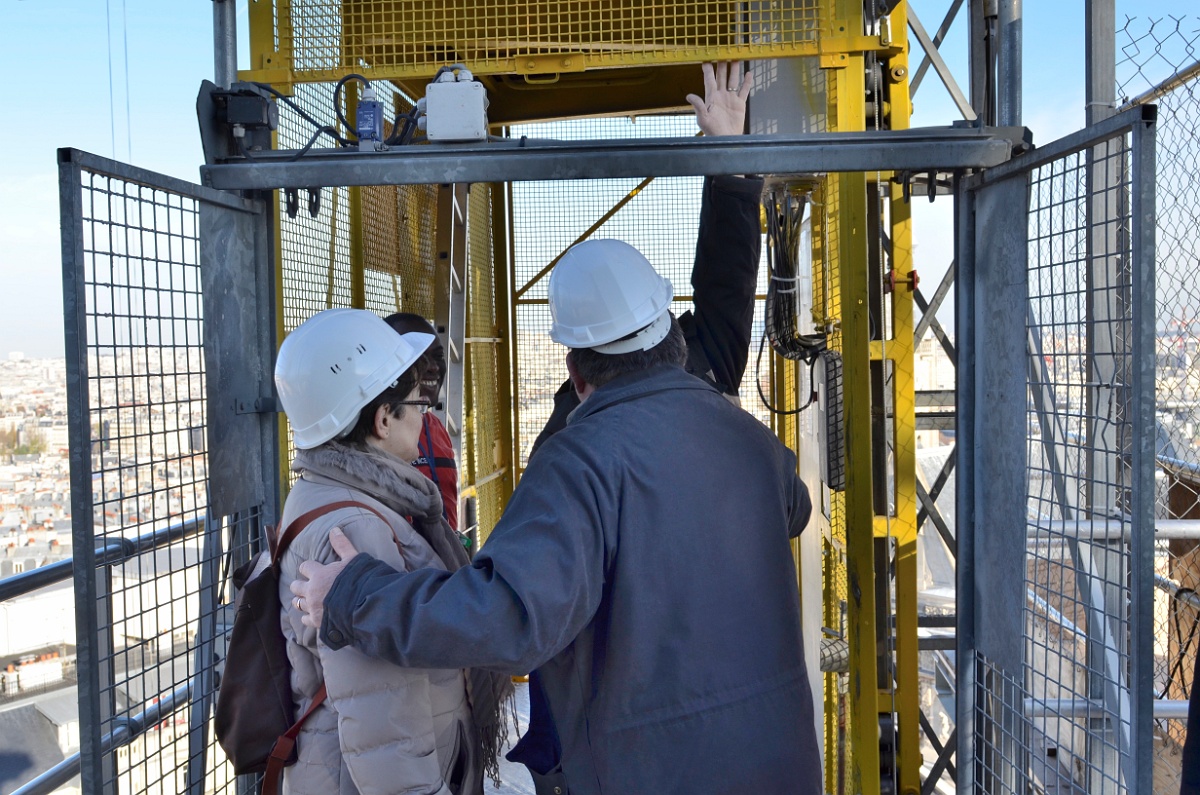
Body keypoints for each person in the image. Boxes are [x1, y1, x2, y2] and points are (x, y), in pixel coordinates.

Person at [289, 241, 821, 794]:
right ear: (673, 339)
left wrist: (358, 596)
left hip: (651, 770)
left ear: (574, 370)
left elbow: (507, 617)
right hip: (781, 762)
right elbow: (795, 507)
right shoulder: (750, 440)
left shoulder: (580, 462)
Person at [272, 308, 511, 795]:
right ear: (383, 418)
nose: (426, 412)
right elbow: (382, 726)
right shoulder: (357, 528)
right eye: (418, 401)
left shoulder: (327, 491)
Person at [530, 60, 763, 456]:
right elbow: (728, 276)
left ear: (577, 375)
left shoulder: (565, 447)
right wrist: (727, 150)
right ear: (667, 320)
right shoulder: (707, 363)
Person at [383, 312, 459, 531]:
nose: (433, 367)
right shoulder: (368, 433)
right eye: (418, 358)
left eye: (437, 356)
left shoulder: (435, 427)